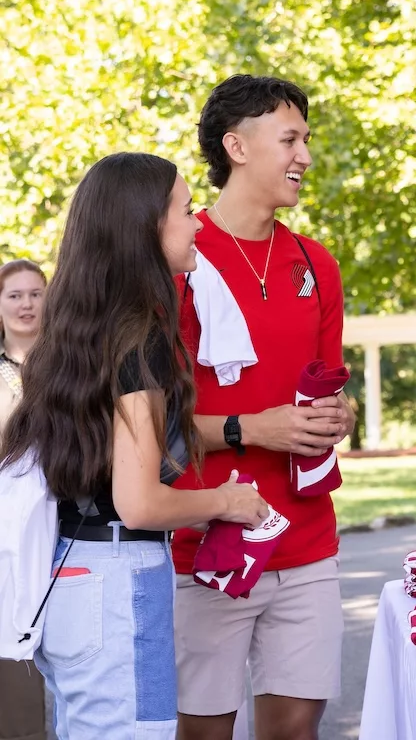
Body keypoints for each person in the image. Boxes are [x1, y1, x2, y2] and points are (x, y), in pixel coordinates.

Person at [0, 154, 267, 740]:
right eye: (187, 210)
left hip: (75, 579)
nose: (199, 223)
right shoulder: (136, 338)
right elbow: (140, 502)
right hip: (119, 581)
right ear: (145, 226)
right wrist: (229, 502)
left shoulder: (78, 334)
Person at [172, 75, 354, 740]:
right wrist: (253, 428)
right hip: (204, 543)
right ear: (236, 147)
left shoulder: (318, 264)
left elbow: (327, 387)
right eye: (290, 138)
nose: (304, 154)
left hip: (306, 542)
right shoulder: (174, 258)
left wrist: (338, 416)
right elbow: (144, 425)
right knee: (203, 733)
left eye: (306, 138)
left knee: (295, 732)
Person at [0, 259, 47, 740]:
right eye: (14, 294)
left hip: (65, 520)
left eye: (35, 293)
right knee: (12, 651)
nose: (26, 303)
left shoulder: (69, 364)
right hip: (6, 524)